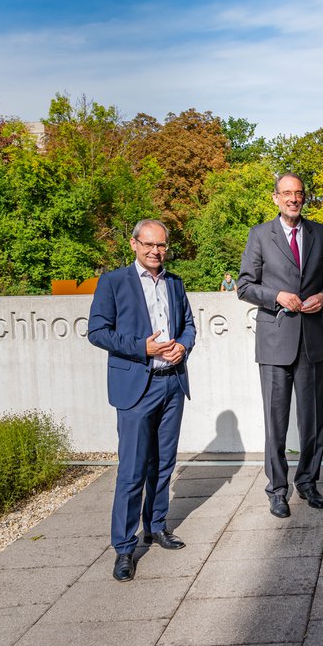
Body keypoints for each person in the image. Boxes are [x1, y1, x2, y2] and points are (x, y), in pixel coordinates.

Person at [88, 219, 196, 582]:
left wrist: (183, 345)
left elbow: (189, 325)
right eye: (148, 244)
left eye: (161, 245)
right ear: (133, 244)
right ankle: (124, 547)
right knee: (132, 471)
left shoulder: (175, 283)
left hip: (172, 384)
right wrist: (141, 348)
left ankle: (157, 525)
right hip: (136, 388)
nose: (155, 251)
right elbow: (97, 332)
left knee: (164, 464)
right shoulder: (113, 282)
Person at [237, 173, 323, 518]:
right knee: (275, 421)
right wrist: (277, 296)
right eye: (287, 193)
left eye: (298, 193)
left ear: (303, 198)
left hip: (311, 340)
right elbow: (244, 287)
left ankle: (308, 482)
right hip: (274, 340)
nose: (293, 199)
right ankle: (277, 490)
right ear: (275, 198)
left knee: (312, 420)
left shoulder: (320, 233)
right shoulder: (259, 235)